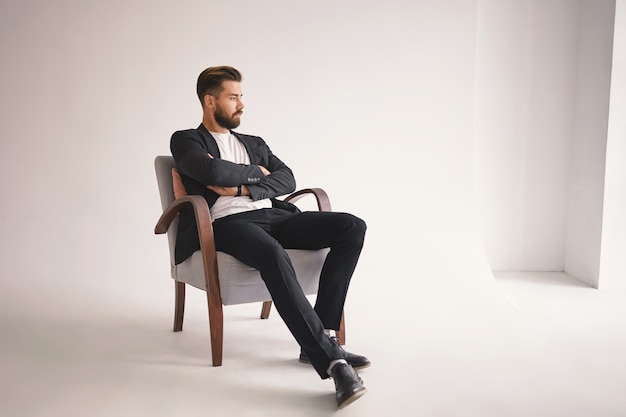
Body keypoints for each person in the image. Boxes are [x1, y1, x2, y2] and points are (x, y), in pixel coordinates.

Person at [170, 66, 370, 408]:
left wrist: (240, 186)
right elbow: (209, 170)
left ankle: (323, 335)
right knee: (273, 253)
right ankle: (333, 363)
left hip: (274, 215)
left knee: (352, 226)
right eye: (233, 97)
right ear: (209, 101)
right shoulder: (186, 139)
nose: (241, 105)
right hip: (228, 223)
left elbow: (287, 179)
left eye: (241, 97)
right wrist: (258, 175)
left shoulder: (254, 143)